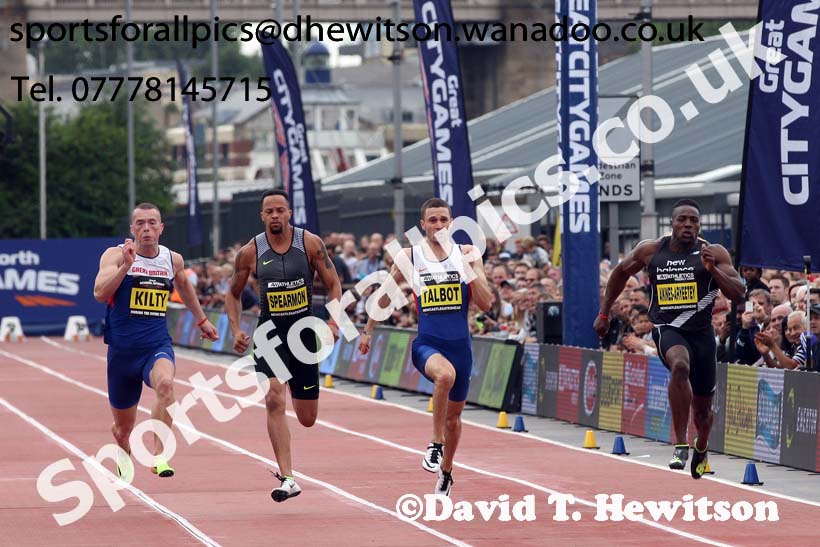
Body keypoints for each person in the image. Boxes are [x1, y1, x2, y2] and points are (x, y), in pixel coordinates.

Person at [594, 199, 744, 479]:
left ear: (699, 226)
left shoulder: (713, 252)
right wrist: (604, 314)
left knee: (704, 414)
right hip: (667, 328)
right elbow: (619, 273)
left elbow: (738, 293)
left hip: (702, 336)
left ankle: (701, 444)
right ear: (672, 223)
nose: (688, 225)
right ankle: (680, 443)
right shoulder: (651, 250)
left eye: (693, 221)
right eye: (682, 220)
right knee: (679, 367)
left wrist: (714, 271)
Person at [358, 198, 493, 496]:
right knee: (444, 377)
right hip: (428, 344)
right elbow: (383, 297)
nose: (439, 225)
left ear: (452, 222)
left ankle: (446, 470)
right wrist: (367, 331)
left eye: (443, 219)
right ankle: (435, 444)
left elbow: (486, 303)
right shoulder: (411, 256)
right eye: (432, 220)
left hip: (461, 348)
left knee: (454, 419)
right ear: (423, 225)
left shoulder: (468, 254)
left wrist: (469, 271)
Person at [226, 189, 341, 502]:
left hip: (303, 334)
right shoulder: (250, 251)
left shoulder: (310, 244)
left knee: (307, 418)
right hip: (270, 334)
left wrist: (334, 321)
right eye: (269, 211)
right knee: (274, 398)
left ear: (289, 213)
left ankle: (296, 388)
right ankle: (288, 477)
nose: (275, 216)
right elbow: (232, 293)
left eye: (280, 210)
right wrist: (236, 329)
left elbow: (333, 284)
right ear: (262, 216)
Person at [93, 203, 219, 481]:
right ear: (132, 229)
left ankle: (159, 455)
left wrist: (202, 320)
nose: (146, 228)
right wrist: (126, 266)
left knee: (166, 384)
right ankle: (123, 446)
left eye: (152, 223)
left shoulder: (172, 260)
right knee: (123, 427)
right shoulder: (115, 255)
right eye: (140, 223)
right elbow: (100, 293)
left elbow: (184, 287)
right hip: (122, 354)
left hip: (155, 346)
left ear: (161, 228)